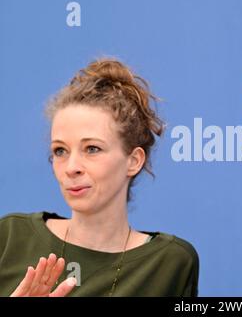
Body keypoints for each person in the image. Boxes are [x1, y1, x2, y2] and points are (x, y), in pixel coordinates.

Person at [0, 59, 199, 297]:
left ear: (134, 160)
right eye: (60, 151)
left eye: (92, 149)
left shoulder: (170, 263)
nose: (71, 167)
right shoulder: (11, 237)